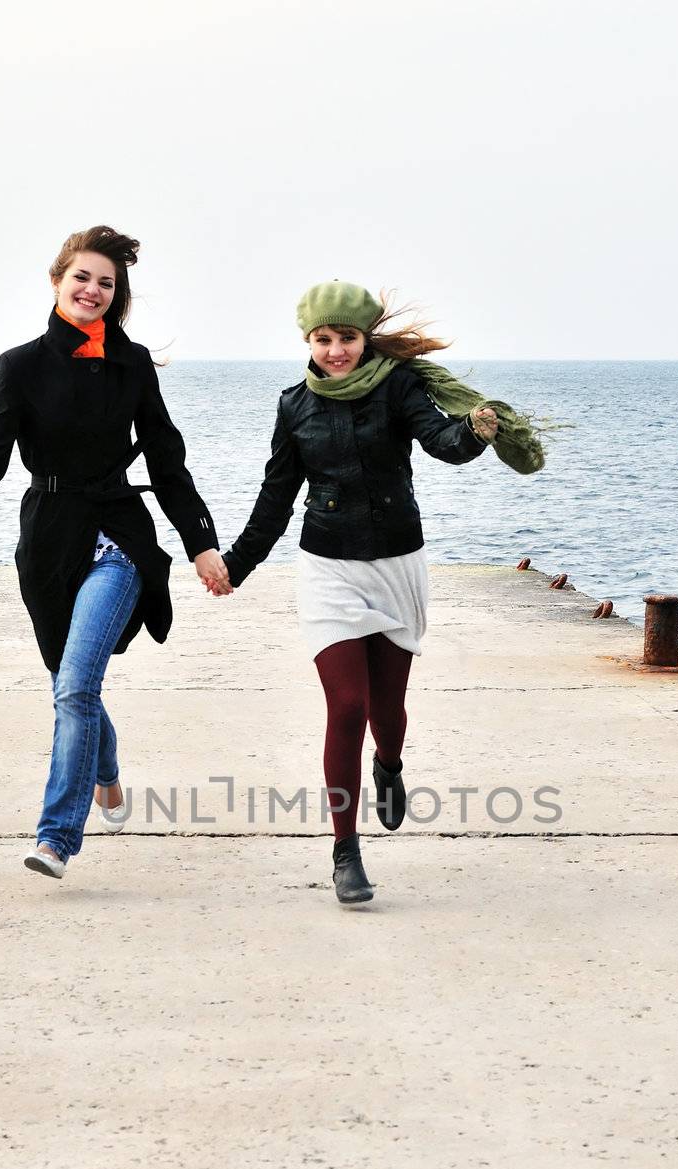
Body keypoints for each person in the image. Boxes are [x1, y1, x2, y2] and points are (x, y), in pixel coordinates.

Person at [211, 281, 543, 905]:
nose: (336, 351)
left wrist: (474, 431)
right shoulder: (294, 407)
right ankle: (346, 851)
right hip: (328, 568)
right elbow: (276, 497)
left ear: (365, 340)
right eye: (324, 339)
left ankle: (388, 764)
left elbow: (442, 445)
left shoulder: (399, 387)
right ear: (308, 341)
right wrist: (237, 564)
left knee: (386, 715)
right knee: (347, 706)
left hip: (396, 564)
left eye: (347, 339)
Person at [0, 224, 230, 880]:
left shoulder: (132, 364)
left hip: (118, 537)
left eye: (106, 282)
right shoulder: (20, 366)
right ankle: (109, 771)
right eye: (82, 277)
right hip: (46, 541)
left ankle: (56, 837)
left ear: (116, 294)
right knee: (72, 686)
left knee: (74, 688)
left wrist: (201, 544)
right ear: (58, 281)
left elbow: (167, 460)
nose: (92, 289)